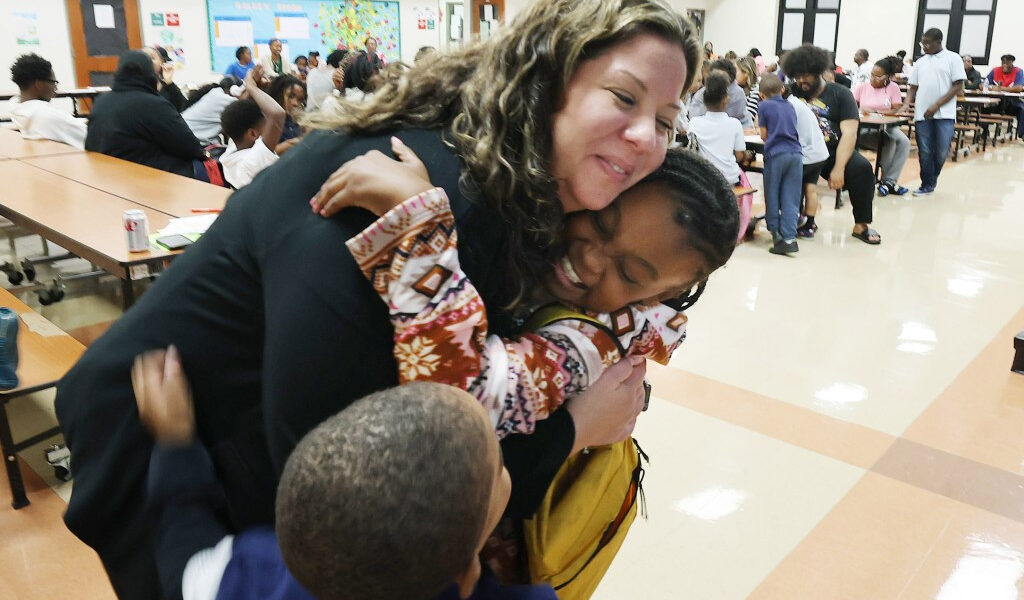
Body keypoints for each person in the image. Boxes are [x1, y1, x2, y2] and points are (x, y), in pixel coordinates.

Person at [54, 2, 702, 598]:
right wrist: (570, 431)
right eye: (624, 97)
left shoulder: (516, 192)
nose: (647, 136)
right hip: (187, 459)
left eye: (668, 122)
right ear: (547, 79)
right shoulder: (406, 191)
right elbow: (370, 487)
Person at [319, 144, 738, 437]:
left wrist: (419, 225)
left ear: (656, 296)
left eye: (627, 274)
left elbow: (456, 410)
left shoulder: (596, 341)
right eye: (599, 221)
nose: (591, 260)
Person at [134, 344, 553, 600]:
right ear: (466, 576)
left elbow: (181, 538)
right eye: (497, 460)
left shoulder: (245, 576)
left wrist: (173, 441)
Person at [784, 43, 881, 244]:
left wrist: (839, 168)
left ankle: (861, 225)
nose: (801, 80)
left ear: (819, 71)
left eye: (807, 75)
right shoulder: (791, 92)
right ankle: (799, 220)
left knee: (862, 169)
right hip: (799, 151)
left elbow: (850, 133)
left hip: (832, 151)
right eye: (798, 75)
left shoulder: (840, 94)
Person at [85, 51, 205, 177]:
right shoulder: (153, 104)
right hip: (145, 181)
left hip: (105, 176)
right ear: (150, 73)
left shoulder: (101, 101)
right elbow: (190, 147)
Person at [686, 72, 753, 242]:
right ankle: (735, 227)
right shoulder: (734, 124)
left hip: (704, 178)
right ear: (726, 100)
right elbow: (739, 156)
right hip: (728, 178)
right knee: (742, 177)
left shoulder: (694, 123)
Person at [899, 28, 966, 195]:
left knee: (943, 150)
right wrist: (906, 103)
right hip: (922, 113)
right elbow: (913, 87)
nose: (924, 47)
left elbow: (958, 85)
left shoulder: (953, 58)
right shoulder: (920, 62)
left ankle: (931, 179)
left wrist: (936, 105)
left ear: (938, 42)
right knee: (925, 150)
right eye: (923, 43)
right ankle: (926, 184)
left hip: (945, 114)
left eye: (928, 43)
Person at [757, 73, 803, 255]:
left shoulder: (764, 106)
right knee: (791, 198)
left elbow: (763, 135)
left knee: (772, 194)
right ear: (782, 90)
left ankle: (776, 235)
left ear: (761, 94)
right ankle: (790, 238)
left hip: (776, 154)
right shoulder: (790, 106)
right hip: (796, 154)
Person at [219, 66, 286, 188]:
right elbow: (277, 115)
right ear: (253, 134)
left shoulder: (234, 147)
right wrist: (251, 87)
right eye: (266, 124)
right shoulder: (251, 161)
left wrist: (253, 86)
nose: (269, 127)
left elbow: (242, 107)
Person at [853, 56, 911, 196]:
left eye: (878, 77)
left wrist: (876, 111)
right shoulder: (862, 88)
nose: (873, 79)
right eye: (872, 75)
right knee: (888, 141)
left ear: (888, 77)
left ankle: (888, 182)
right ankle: (887, 181)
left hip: (887, 125)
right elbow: (852, 108)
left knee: (904, 142)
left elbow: (896, 108)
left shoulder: (893, 88)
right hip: (865, 128)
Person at [7, 53, 86, 148]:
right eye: (54, 82)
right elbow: (91, 137)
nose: (55, 88)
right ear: (39, 84)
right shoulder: (47, 116)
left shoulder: (15, 108)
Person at [786, 87, 829, 239]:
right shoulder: (798, 103)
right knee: (810, 188)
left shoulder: (788, 106)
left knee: (793, 188)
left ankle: (794, 221)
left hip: (806, 155)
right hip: (819, 153)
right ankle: (809, 225)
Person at [689, 58, 754, 127]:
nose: (716, 80)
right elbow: (695, 121)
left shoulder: (737, 93)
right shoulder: (701, 94)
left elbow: (739, 118)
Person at [181, 76, 242, 145]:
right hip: (191, 142)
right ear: (234, 90)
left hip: (183, 136)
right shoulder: (222, 98)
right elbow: (243, 105)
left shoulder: (214, 93)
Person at [985, 54, 1024, 139]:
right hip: (996, 102)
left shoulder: (1018, 71)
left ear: (1012, 63)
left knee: (1022, 109)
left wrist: (1000, 88)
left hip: (1011, 103)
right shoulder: (995, 70)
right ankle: (984, 131)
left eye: (1007, 63)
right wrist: (991, 88)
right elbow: (984, 84)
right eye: (1003, 63)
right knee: (983, 107)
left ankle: (1022, 134)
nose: (1005, 65)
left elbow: (1019, 88)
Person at [267, 74, 305, 146]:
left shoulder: (291, 120)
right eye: (291, 96)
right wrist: (288, 145)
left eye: (299, 100)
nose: (296, 103)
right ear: (277, 94)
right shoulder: (265, 121)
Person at [735, 56, 760, 123]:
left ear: (746, 73)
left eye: (736, 71)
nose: (733, 74)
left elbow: (750, 116)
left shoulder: (755, 91)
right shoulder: (735, 88)